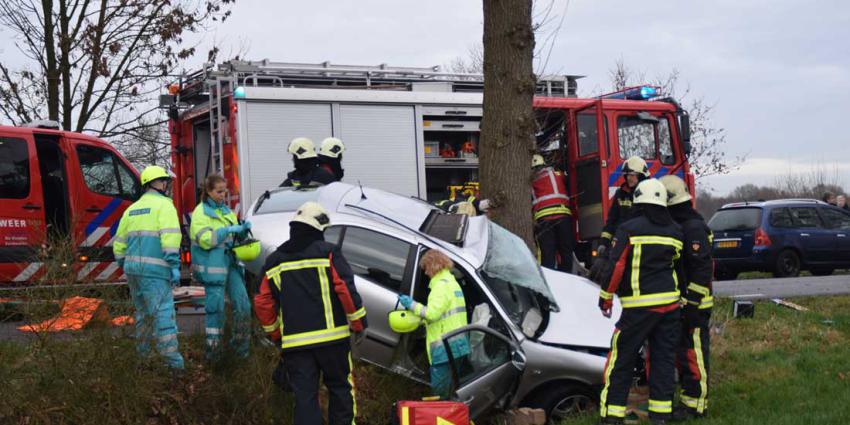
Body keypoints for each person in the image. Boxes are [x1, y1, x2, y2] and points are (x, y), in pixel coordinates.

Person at [254, 201, 367, 425]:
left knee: (304, 398)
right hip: (333, 341)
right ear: (318, 228)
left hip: (296, 346)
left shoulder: (274, 261)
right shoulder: (328, 253)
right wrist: (359, 323)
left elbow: (262, 302)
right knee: (340, 390)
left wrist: (276, 333)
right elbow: (344, 288)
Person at [597, 178, 684, 425]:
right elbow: (678, 268)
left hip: (638, 307)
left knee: (621, 358)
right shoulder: (676, 231)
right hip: (669, 306)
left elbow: (616, 266)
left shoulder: (629, 228)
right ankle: (661, 415)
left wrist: (605, 298)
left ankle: (611, 416)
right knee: (663, 360)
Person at [113, 166, 184, 370]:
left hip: (133, 270)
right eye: (164, 181)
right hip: (155, 272)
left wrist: (124, 264)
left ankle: (142, 359)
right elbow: (170, 239)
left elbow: (119, 244)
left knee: (143, 315)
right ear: (156, 183)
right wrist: (173, 266)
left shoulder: (132, 209)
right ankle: (172, 364)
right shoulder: (165, 206)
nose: (166, 184)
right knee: (164, 315)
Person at [659, 175, 713, 421]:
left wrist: (692, 302)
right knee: (684, 353)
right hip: (685, 302)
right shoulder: (683, 224)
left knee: (695, 354)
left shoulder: (693, 228)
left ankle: (697, 405)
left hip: (697, 303)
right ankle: (688, 400)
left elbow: (702, 268)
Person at [190, 174, 252, 360]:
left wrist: (242, 233)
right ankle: (214, 355)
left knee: (243, 306)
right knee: (215, 311)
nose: (223, 195)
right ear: (208, 191)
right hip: (213, 269)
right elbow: (205, 240)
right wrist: (227, 230)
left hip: (230, 264)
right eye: (218, 191)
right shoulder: (200, 213)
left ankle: (240, 352)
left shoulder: (226, 211)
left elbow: (232, 239)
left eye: (224, 191)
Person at [398, 249, 469, 400]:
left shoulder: (440, 287)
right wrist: (424, 320)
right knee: (452, 390)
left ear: (432, 266)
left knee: (440, 394)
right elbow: (445, 314)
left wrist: (412, 305)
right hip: (458, 345)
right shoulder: (452, 283)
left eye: (425, 269)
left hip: (444, 348)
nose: (425, 273)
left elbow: (432, 313)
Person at [591, 156, 650, 281]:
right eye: (627, 174)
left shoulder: (649, 194)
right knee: (598, 270)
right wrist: (603, 243)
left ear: (641, 175)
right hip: (618, 242)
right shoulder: (621, 193)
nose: (629, 177)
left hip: (639, 245)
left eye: (632, 174)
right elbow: (611, 221)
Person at [531, 153, 575, 273]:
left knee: (547, 254)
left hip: (544, 220)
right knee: (566, 251)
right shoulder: (557, 174)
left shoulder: (530, 182)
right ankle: (567, 277)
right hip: (562, 216)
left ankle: (550, 281)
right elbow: (569, 182)